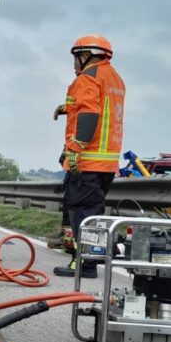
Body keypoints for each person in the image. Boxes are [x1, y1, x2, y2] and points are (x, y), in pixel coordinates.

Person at [53, 34, 125, 278]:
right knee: (93, 212)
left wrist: (75, 148)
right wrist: (68, 108)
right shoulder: (114, 78)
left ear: (86, 56)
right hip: (107, 163)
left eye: (76, 58)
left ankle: (85, 264)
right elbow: (101, 110)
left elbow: (89, 113)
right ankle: (89, 260)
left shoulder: (88, 77)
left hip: (88, 159)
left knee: (82, 214)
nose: (74, 64)